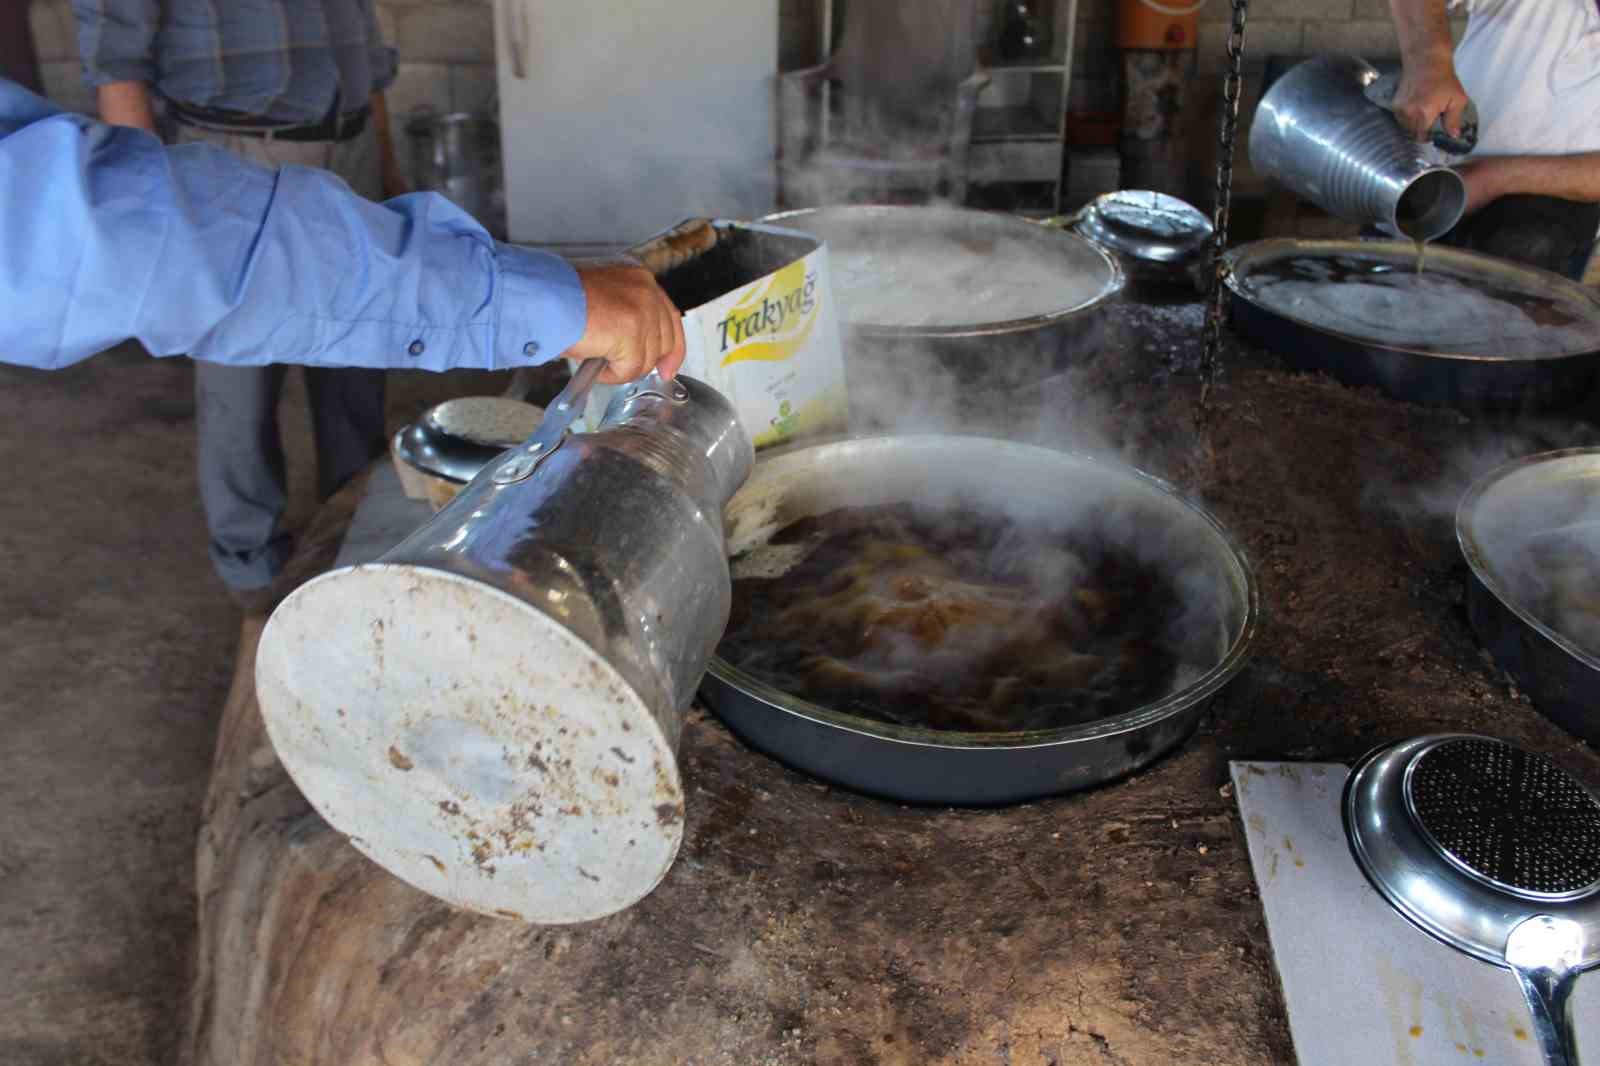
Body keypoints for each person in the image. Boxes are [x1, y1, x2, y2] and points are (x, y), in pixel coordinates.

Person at [0, 76, 684, 420]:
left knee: (352, 379)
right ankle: (254, 578)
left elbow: (366, 71)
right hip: (224, 163)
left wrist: (383, 163)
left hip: (321, 165)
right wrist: (531, 300)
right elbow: (113, 240)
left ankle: (341, 501)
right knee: (241, 402)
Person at [1388, 0, 1600, 280]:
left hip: (1547, 224)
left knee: (1516, 278)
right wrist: (1428, 62)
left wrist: (1488, 179)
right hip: (1423, 179)